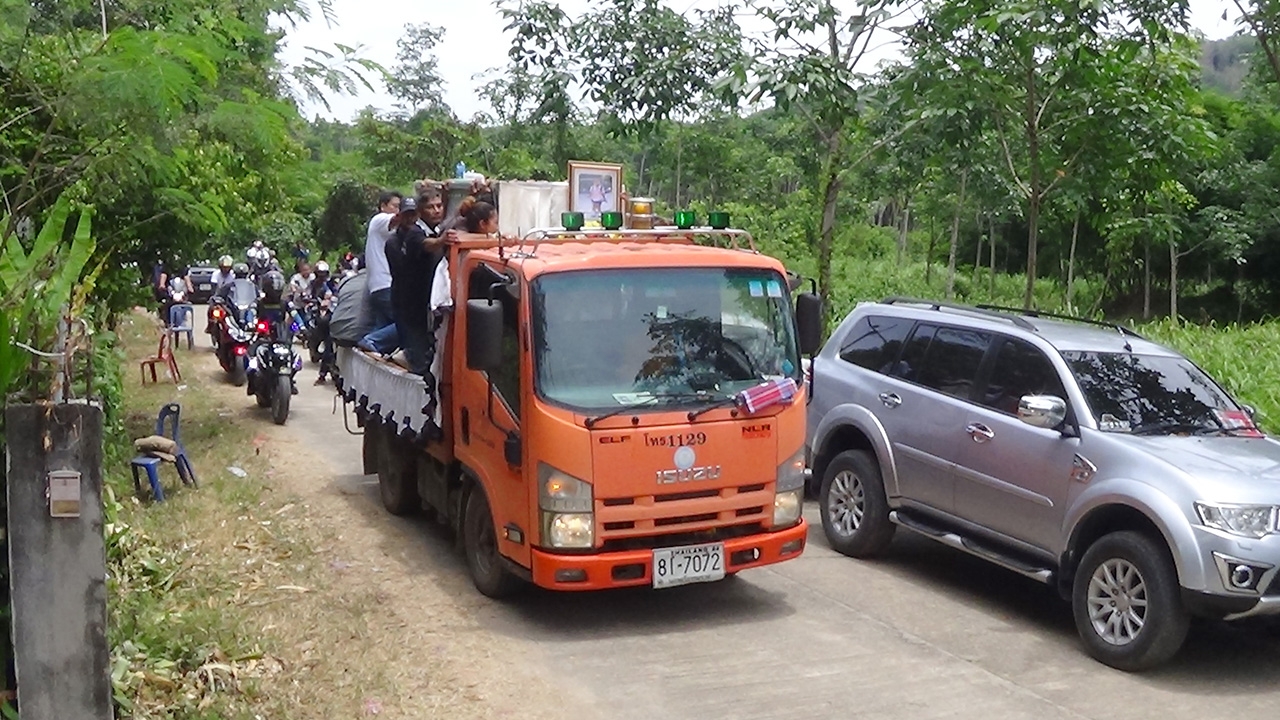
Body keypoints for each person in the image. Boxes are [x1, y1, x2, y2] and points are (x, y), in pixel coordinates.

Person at [363, 190, 402, 337]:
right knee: (408, 323)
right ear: (383, 206)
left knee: (383, 326)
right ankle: (370, 341)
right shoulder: (379, 219)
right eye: (395, 206)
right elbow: (398, 219)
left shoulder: (390, 230)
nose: (398, 210)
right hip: (386, 284)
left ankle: (369, 347)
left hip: (379, 286)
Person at [309, 261, 338, 385]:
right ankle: (322, 373)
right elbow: (307, 294)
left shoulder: (332, 285)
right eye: (319, 274)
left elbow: (331, 296)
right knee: (327, 344)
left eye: (323, 274)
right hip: (321, 316)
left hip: (335, 317)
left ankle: (324, 374)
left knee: (329, 346)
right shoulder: (313, 284)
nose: (321, 276)